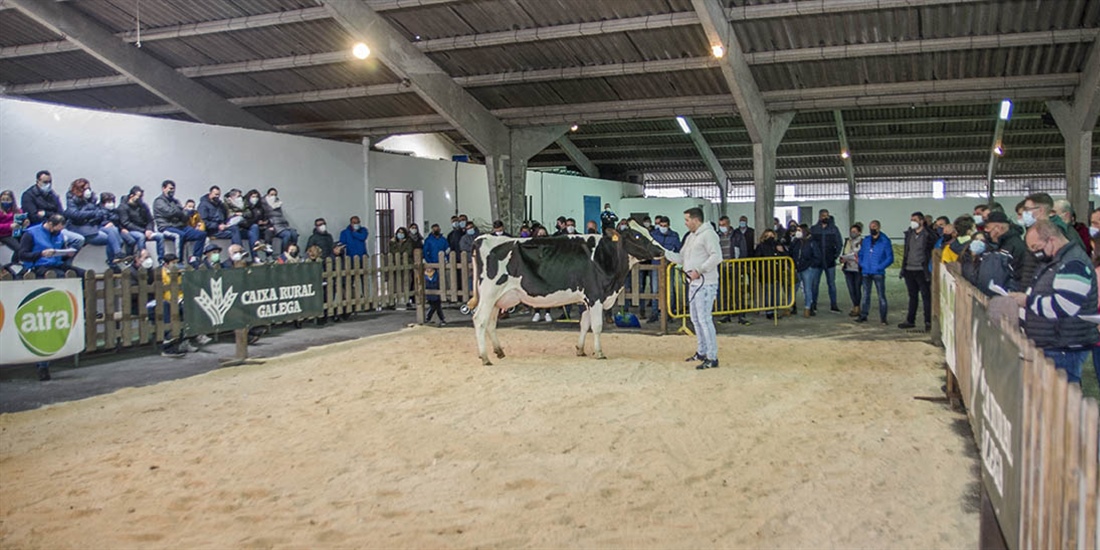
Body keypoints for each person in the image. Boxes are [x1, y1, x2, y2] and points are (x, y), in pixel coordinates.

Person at [1009, 219, 1098, 384]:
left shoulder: (1073, 263)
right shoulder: (1055, 261)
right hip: (1055, 345)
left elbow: (1064, 306)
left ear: (1051, 239)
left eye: (1036, 247)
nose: (1035, 253)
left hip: (1065, 349)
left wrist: (1028, 301)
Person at [664, 207, 722, 370]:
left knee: (704, 319)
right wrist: (665, 253)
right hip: (694, 283)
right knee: (696, 319)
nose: (685, 223)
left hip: (706, 282)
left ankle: (712, 356)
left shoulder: (709, 235)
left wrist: (700, 270)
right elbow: (682, 258)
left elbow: (716, 256)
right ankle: (702, 351)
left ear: (696, 220)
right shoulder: (690, 237)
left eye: (687, 220)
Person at [64, 178, 124, 270]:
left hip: (94, 225)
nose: (88, 191)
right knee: (110, 238)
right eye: (85, 188)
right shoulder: (72, 200)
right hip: (82, 229)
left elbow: (99, 213)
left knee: (113, 230)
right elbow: (75, 215)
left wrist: (104, 220)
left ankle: (117, 255)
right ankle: (113, 260)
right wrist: (92, 214)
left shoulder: (91, 200)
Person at [900, 211, 937, 331]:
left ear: (921, 221)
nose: (912, 222)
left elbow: (933, 244)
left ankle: (928, 321)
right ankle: (910, 320)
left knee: (926, 296)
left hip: (922, 270)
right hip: (909, 269)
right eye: (911, 219)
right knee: (912, 296)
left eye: (915, 220)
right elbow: (907, 251)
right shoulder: (909, 234)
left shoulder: (928, 235)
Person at [154, 180, 206, 264]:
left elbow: (185, 216)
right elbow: (170, 213)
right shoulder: (159, 201)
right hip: (166, 227)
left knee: (201, 234)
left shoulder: (176, 201)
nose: (172, 191)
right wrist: (181, 212)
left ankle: (195, 258)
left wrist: (182, 213)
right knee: (180, 235)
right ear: (163, 188)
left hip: (180, 226)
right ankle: (179, 261)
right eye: (170, 188)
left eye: (173, 189)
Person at [985, 210, 1037, 290]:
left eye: (988, 228)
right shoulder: (998, 244)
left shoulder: (1015, 246)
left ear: (998, 228)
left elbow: (1020, 273)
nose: (986, 231)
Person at [19, 213, 82, 278]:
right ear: (50, 224)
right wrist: (41, 254)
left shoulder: (59, 235)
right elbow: (22, 255)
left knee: (81, 273)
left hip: (57, 264)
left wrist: (67, 254)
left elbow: (60, 253)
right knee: (61, 275)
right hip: (39, 265)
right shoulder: (30, 233)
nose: (58, 232)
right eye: (56, 230)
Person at [856, 220, 894, 324]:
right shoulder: (867, 240)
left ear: (878, 227)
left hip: (878, 272)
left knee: (881, 295)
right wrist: (862, 264)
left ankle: (883, 318)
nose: (872, 229)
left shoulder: (885, 241)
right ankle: (863, 315)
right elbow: (861, 253)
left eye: (874, 227)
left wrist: (880, 267)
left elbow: (890, 257)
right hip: (866, 271)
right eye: (870, 227)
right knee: (865, 294)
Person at [118, 186, 166, 262]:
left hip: (145, 230)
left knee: (160, 236)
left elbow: (150, 220)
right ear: (131, 196)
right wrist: (144, 231)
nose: (140, 198)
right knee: (141, 236)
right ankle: (142, 258)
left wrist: (149, 229)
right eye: (139, 196)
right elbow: (126, 223)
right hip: (131, 230)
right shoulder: (123, 207)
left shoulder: (143, 206)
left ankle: (161, 260)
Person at [808, 209, 843, 313]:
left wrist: (835, 256)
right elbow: (810, 244)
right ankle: (813, 304)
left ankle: (834, 305)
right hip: (816, 263)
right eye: (823, 216)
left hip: (830, 262)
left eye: (827, 216)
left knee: (831, 284)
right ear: (819, 217)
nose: (825, 218)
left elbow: (839, 243)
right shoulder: (814, 229)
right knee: (814, 284)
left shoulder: (834, 229)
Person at [649, 216, 681, 323]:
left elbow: (678, 250)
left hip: (668, 267)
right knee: (654, 290)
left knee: (670, 290)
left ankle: (669, 313)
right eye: (661, 225)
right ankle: (654, 313)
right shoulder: (653, 235)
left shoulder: (674, 236)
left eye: (665, 226)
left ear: (669, 225)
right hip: (656, 265)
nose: (663, 227)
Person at [788, 224, 818, 317]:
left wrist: (810, 265)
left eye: (799, 230)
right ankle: (788, 307)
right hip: (797, 268)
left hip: (807, 269)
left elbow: (817, 256)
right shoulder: (796, 242)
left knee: (807, 289)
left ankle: (807, 308)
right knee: (793, 288)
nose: (797, 232)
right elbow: (791, 253)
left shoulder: (812, 242)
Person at [261, 188, 298, 253]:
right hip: (274, 225)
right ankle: (283, 253)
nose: (273, 196)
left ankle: (292, 252)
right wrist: (269, 225)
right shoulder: (263, 204)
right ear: (267, 195)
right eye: (271, 194)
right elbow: (264, 217)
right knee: (287, 235)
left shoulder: (277, 203)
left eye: (275, 195)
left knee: (294, 234)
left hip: (283, 224)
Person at [1, 189, 27, 268]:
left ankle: (16, 264)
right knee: (19, 248)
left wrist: (25, 223)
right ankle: (13, 265)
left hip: (16, 232)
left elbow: (21, 222)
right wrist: (9, 226)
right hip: (4, 234)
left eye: (8, 200)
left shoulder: (18, 211)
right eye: (3, 200)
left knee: (26, 243)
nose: (5, 202)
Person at [841, 223, 863, 317]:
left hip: (858, 269)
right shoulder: (847, 241)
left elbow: (860, 254)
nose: (852, 233)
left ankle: (857, 307)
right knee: (851, 289)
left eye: (854, 231)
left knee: (857, 288)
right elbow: (844, 252)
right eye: (851, 231)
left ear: (859, 232)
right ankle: (854, 305)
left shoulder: (862, 242)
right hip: (848, 268)